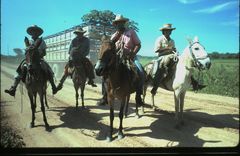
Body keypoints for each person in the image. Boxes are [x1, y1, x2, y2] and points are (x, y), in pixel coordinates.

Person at [151, 23, 206, 95]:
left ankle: (193, 82)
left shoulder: (172, 40)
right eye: (167, 30)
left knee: (184, 64)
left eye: (170, 30)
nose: (169, 32)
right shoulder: (160, 39)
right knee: (163, 64)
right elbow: (157, 50)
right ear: (163, 31)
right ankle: (159, 81)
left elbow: (173, 50)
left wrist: (175, 51)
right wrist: (168, 48)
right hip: (162, 56)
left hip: (172, 55)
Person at [5, 25, 59, 97]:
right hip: (29, 59)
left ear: (38, 33)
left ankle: (53, 86)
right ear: (31, 33)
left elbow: (44, 52)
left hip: (39, 59)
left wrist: (39, 54)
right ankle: (13, 88)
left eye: (36, 31)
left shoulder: (42, 41)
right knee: (20, 68)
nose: (34, 33)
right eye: (33, 31)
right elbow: (26, 51)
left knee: (48, 69)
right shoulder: (28, 41)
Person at [110, 14, 144, 106]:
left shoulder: (131, 32)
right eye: (118, 23)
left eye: (121, 22)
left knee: (140, 70)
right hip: (117, 57)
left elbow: (138, 44)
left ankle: (138, 95)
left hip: (130, 56)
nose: (119, 24)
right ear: (115, 24)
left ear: (124, 23)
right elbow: (110, 48)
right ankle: (105, 94)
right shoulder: (113, 36)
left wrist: (132, 54)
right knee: (105, 70)